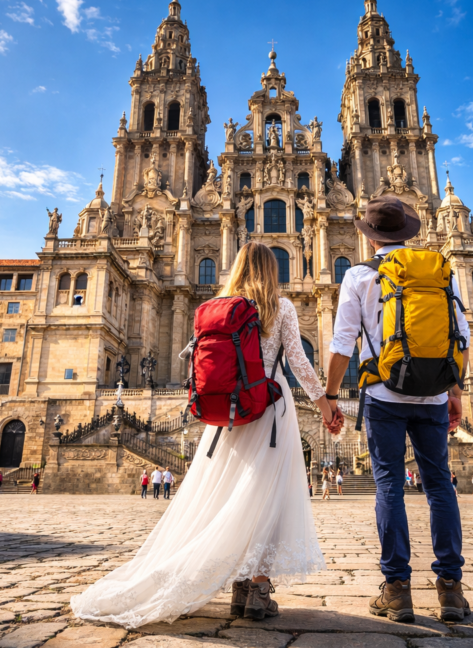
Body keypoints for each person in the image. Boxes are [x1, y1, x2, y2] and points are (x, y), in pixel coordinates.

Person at [72, 242, 337, 629]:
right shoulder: (281, 308)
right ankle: (257, 592)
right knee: (269, 499)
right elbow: (298, 360)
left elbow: (188, 354)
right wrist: (326, 404)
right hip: (269, 409)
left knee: (232, 496)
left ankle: (238, 589)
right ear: (273, 270)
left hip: (229, 412)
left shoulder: (221, 306)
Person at [323, 196, 471, 624]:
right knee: (440, 486)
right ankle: (451, 590)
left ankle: (398, 590)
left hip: (384, 397)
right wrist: (455, 393)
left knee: (389, 485)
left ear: (368, 238)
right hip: (434, 396)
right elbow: (460, 336)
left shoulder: (357, 275)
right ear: (409, 234)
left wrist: (332, 398)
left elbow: (341, 344)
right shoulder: (439, 270)